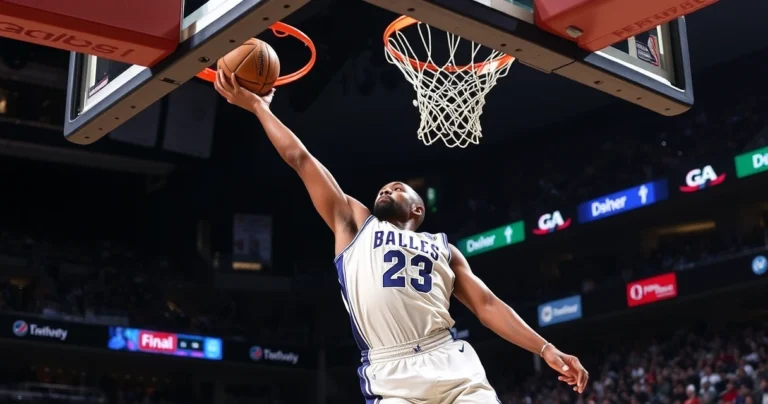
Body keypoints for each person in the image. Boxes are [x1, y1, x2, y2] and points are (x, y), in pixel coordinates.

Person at [213, 71, 589, 403]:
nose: (386, 190)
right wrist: (259, 107)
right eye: (383, 188)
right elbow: (301, 159)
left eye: (397, 188)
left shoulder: (445, 248)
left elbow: (488, 306)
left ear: (417, 210)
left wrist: (545, 347)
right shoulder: (353, 224)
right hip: (391, 372)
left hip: (450, 361)